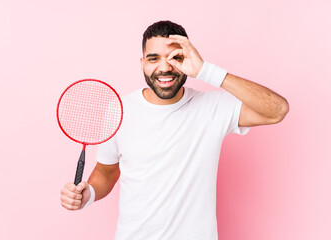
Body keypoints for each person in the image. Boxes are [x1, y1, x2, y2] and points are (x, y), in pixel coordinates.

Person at [60, 20, 289, 240]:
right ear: (142, 63)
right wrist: (88, 194)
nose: (164, 67)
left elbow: (277, 110)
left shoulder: (213, 107)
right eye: (153, 58)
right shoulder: (119, 110)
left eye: (175, 58)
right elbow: (106, 172)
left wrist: (206, 71)